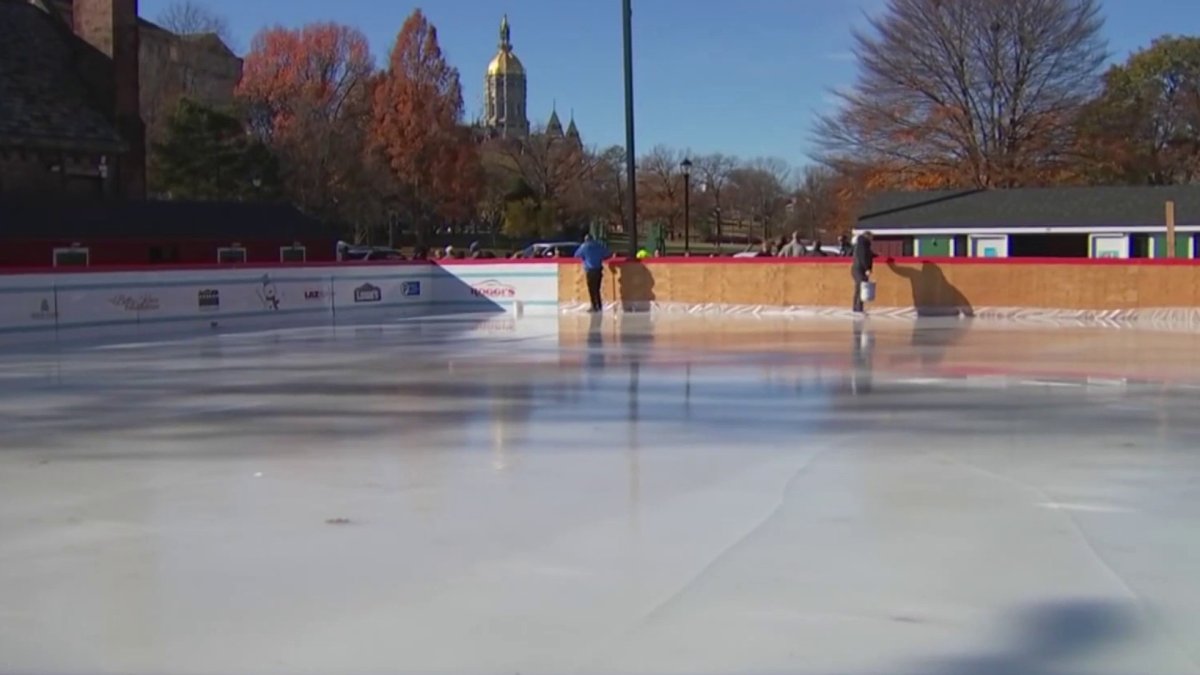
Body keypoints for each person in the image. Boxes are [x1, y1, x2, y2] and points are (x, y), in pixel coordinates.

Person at [574, 234, 611, 313]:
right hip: (598, 269)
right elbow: (607, 254)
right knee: (597, 289)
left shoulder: (584, 246)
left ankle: (594, 305)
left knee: (591, 289)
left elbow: (576, 255)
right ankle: (599, 305)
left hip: (590, 270)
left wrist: (584, 258)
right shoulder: (598, 245)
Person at [851, 231, 875, 314]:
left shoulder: (863, 244)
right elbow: (863, 257)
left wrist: (874, 255)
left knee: (860, 288)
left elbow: (867, 254)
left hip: (858, 268)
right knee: (860, 288)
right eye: (871, 237)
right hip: (860, 269)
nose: (872, 240)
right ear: (867, 236)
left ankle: (858, 307)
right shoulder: (863, 244)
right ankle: (857, 308)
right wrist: (867, 268)